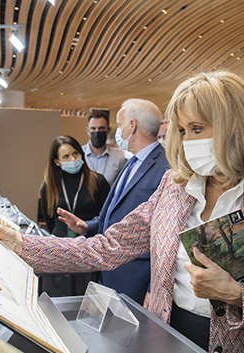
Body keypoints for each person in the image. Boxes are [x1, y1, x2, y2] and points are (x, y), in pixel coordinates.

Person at [0, 71, 244, 352]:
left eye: (197, 129)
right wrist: (22, 245)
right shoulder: (174, 188)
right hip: (168, 338)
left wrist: (236, 293)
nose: (188, 141)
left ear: (235, 126)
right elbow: (107, 247)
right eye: (181, 131)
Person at [80, 98, 168, 304]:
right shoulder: (132, 161)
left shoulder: (165, 168)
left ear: (132, 125)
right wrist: (88, 225)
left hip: (136, 277)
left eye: (120, 125)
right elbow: (117, 211)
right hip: (110, 268)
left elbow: (165, 234)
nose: (118, 131)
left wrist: (152, 287)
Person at [39, 135, 110, 296]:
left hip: (88, 248)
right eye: (66, 156)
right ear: (57, 161)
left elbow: (107, 218)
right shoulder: (49, 186)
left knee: (83, 295)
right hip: (59, 250)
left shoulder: (98, 181)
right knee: (59, 296)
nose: (73, 159)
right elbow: (50, 221)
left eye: (76, 153)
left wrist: (86, 227)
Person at [82, 110, 126, 186]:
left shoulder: (119, 158)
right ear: (88, 130)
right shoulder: (79, 154)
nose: (97, 132)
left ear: (108, 130)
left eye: (101, 128)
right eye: (93, 129)